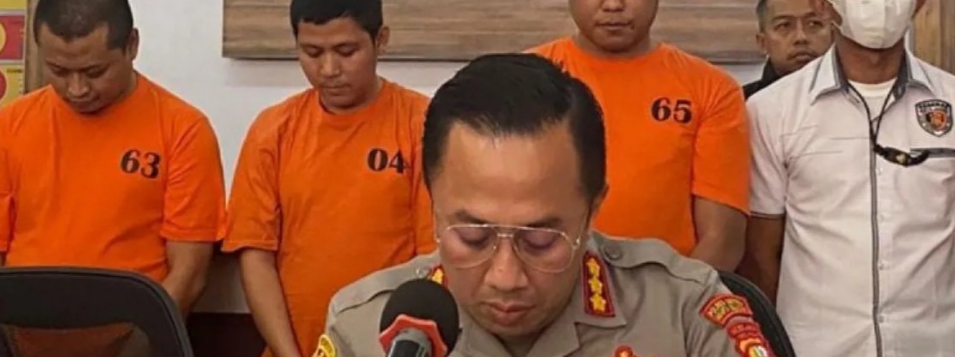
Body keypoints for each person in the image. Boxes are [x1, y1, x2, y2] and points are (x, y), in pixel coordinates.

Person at [316, 53, 774, 357]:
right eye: (473, 237)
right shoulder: (366, 329)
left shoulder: (682, 312)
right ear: (433, 204)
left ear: (593, 209)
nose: (505, 277)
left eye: (540, 240)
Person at [742, 0, 955, 356]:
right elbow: (762, 253)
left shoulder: (950, 101)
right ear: (825, 6)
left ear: (917, 1)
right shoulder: (772, 111)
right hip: (814, 347)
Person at [0, 0, 227, 354]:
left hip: (134, 346)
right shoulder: (8, 126)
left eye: (94, 72)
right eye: (58, 71)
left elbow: (189, 274)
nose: (77, 89)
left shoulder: (183, 130)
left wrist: (140, 346)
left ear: (132, 45)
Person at [529, 0, 749, 270]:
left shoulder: (712, 91)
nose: (613, 2)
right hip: (544, 295)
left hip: (672, 300)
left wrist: (670, 303)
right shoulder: (526, 80)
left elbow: (722, 241)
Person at [223, 0, 435, 357]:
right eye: (312, 53)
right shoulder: (273, 130)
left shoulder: (423, 125)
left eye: (346, 51)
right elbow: (255, 255)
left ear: (380, 40)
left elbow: (431, 264)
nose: (329, 70)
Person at [742, 0, 833, 99]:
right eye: (784, 26)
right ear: (763, 42)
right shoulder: (742, 103)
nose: (801, 37)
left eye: (813, 24)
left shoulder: (857, 98)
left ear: (835, 34)